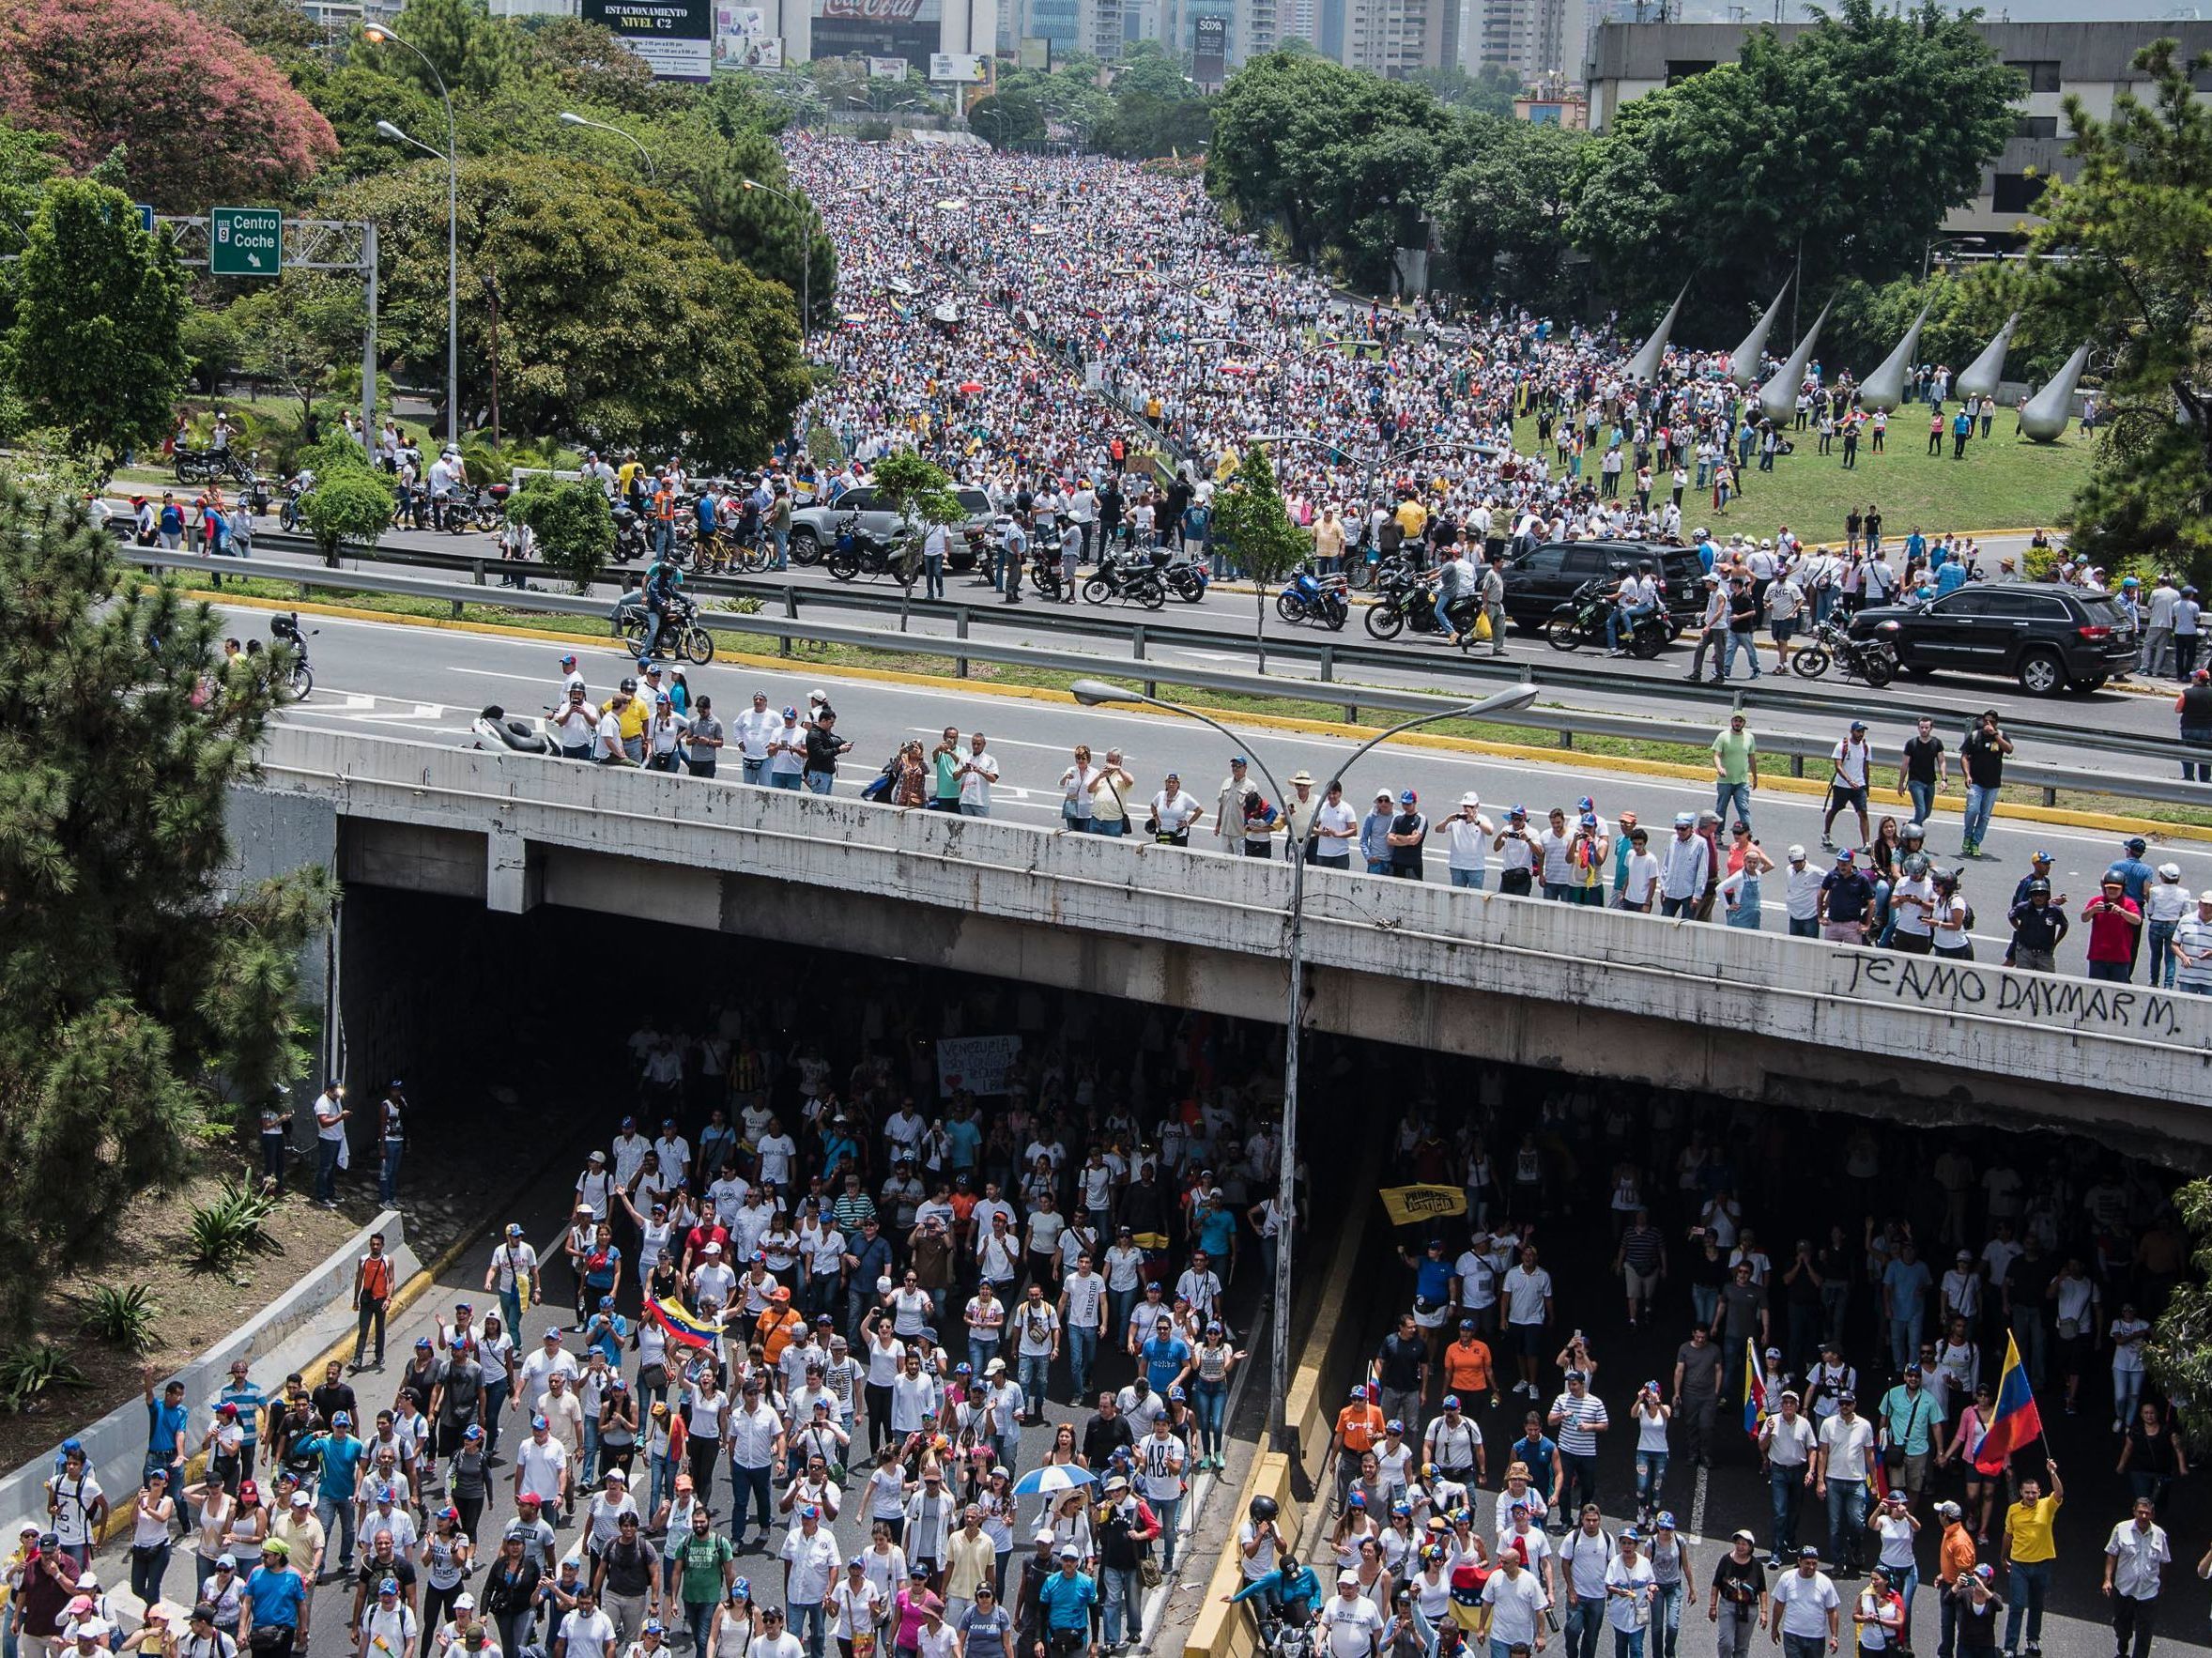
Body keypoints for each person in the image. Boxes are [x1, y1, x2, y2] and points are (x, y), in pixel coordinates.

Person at [1998, 1460, 2062, 1657]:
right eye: (2027, 1492)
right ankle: (2010, 1647)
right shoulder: (2013, 1510)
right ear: (2021, 1493)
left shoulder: (2047, 1506)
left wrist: (2052, 1473)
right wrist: (2003, 1557)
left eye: (2034, 1492)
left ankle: (2033, 1640)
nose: (2031, 1496)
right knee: (2017, 1605)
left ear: (2039, 1492)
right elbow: (2008, 1534)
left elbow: (2059, 1493)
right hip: (2019, 1565)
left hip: (2042, 1564)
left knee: (2037, 1605)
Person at [2102, 1497, 2168, 1658]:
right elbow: (2112, 1554)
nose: (2143, 1516)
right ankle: (2122, 1643)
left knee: (2145, 1632)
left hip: (2148, 1591)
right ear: (2134, 1512)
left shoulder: (2159, 1534)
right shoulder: (2121, 1528)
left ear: (2152, 1515)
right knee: (2122, 1625)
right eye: (2140, 1512)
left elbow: (2164, 1561)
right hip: (2125, 1589)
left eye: (2147, 1513)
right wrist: (2108, 1579)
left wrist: (2162, 1584)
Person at [1765, 1549, 1837, 1658]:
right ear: (1799, 1561)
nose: (1811, 1567)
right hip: (1792, 1635)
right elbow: (1779, 1605)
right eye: (1808, 1563)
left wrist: (1834, 1636)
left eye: (1814, 1563)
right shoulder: (1787, 1578)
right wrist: (1774, 1628)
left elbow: (1832, 1611)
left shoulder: (1825, 1582)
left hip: (1816, 1637)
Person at [1708, 1530, 1767, 1658]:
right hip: (1727, 1605)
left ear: (1750, 1547)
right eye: (1738, 1543)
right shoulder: (1726, 1560)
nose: (1740, 1547)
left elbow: (1762, 1590)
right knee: (1726, 1643)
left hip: (1748, 1608)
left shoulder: (1756, 1565)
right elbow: (1716, 1584)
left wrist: (1764, 1612)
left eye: (1744, 1544)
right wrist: (1712, 1606)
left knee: (1741, 1647)